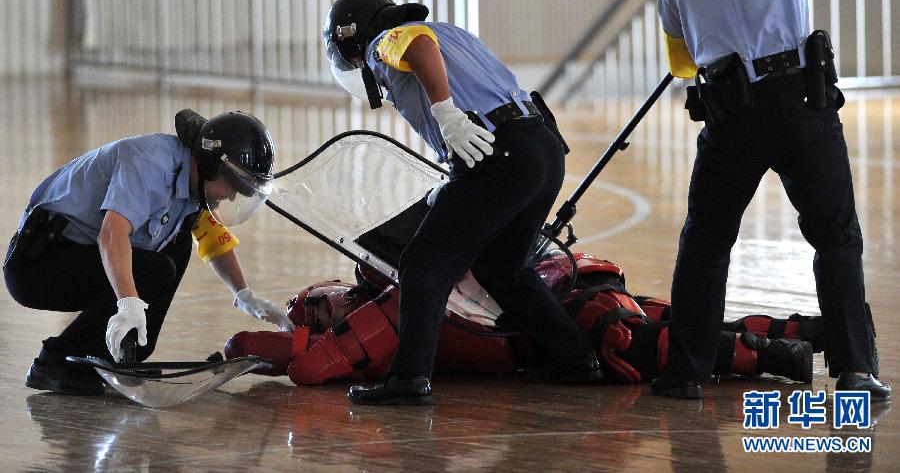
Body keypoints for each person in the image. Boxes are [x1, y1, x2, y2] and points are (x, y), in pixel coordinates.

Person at [652, 0, 889, 400]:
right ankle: (854, 369)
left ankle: (684, 373)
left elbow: (682, 65)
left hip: (729, 113)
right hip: (801, 100)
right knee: (834, 235)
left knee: (706, 240)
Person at [321, 0, 602, 404]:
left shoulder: (389, 39)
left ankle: (409, 378)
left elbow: (416, 46)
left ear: (356, 40)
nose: (360, 66)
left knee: (422, 263)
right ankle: (576, 359)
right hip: (539, 148)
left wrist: (446, 113)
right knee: (501, 267)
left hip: (500, 154)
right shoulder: (450, 31)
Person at [225, 249, 823, 388]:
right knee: (661, 324)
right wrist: (250, 344)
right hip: (566, 283)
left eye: (323, 299)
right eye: (321, 310)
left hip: (556, 309)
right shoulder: (402, 289)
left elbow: (308, 365)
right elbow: (314, 361)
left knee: (639, 337)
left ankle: (778, 351)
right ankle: (805, 336)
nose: (332, 304)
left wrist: (245, 345)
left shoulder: (402, 298)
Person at [4, 109, 293, 396]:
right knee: (155, 269)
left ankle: (123, 353)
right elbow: (111, 234)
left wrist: (244, 295)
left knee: (177, 245)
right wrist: (129, 303)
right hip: (38, 265)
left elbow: (213, 236)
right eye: (233, 186)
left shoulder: (195, 182)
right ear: (210, 164)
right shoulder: (150, 163)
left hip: (82, 253)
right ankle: (53, 361)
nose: (231, 195)